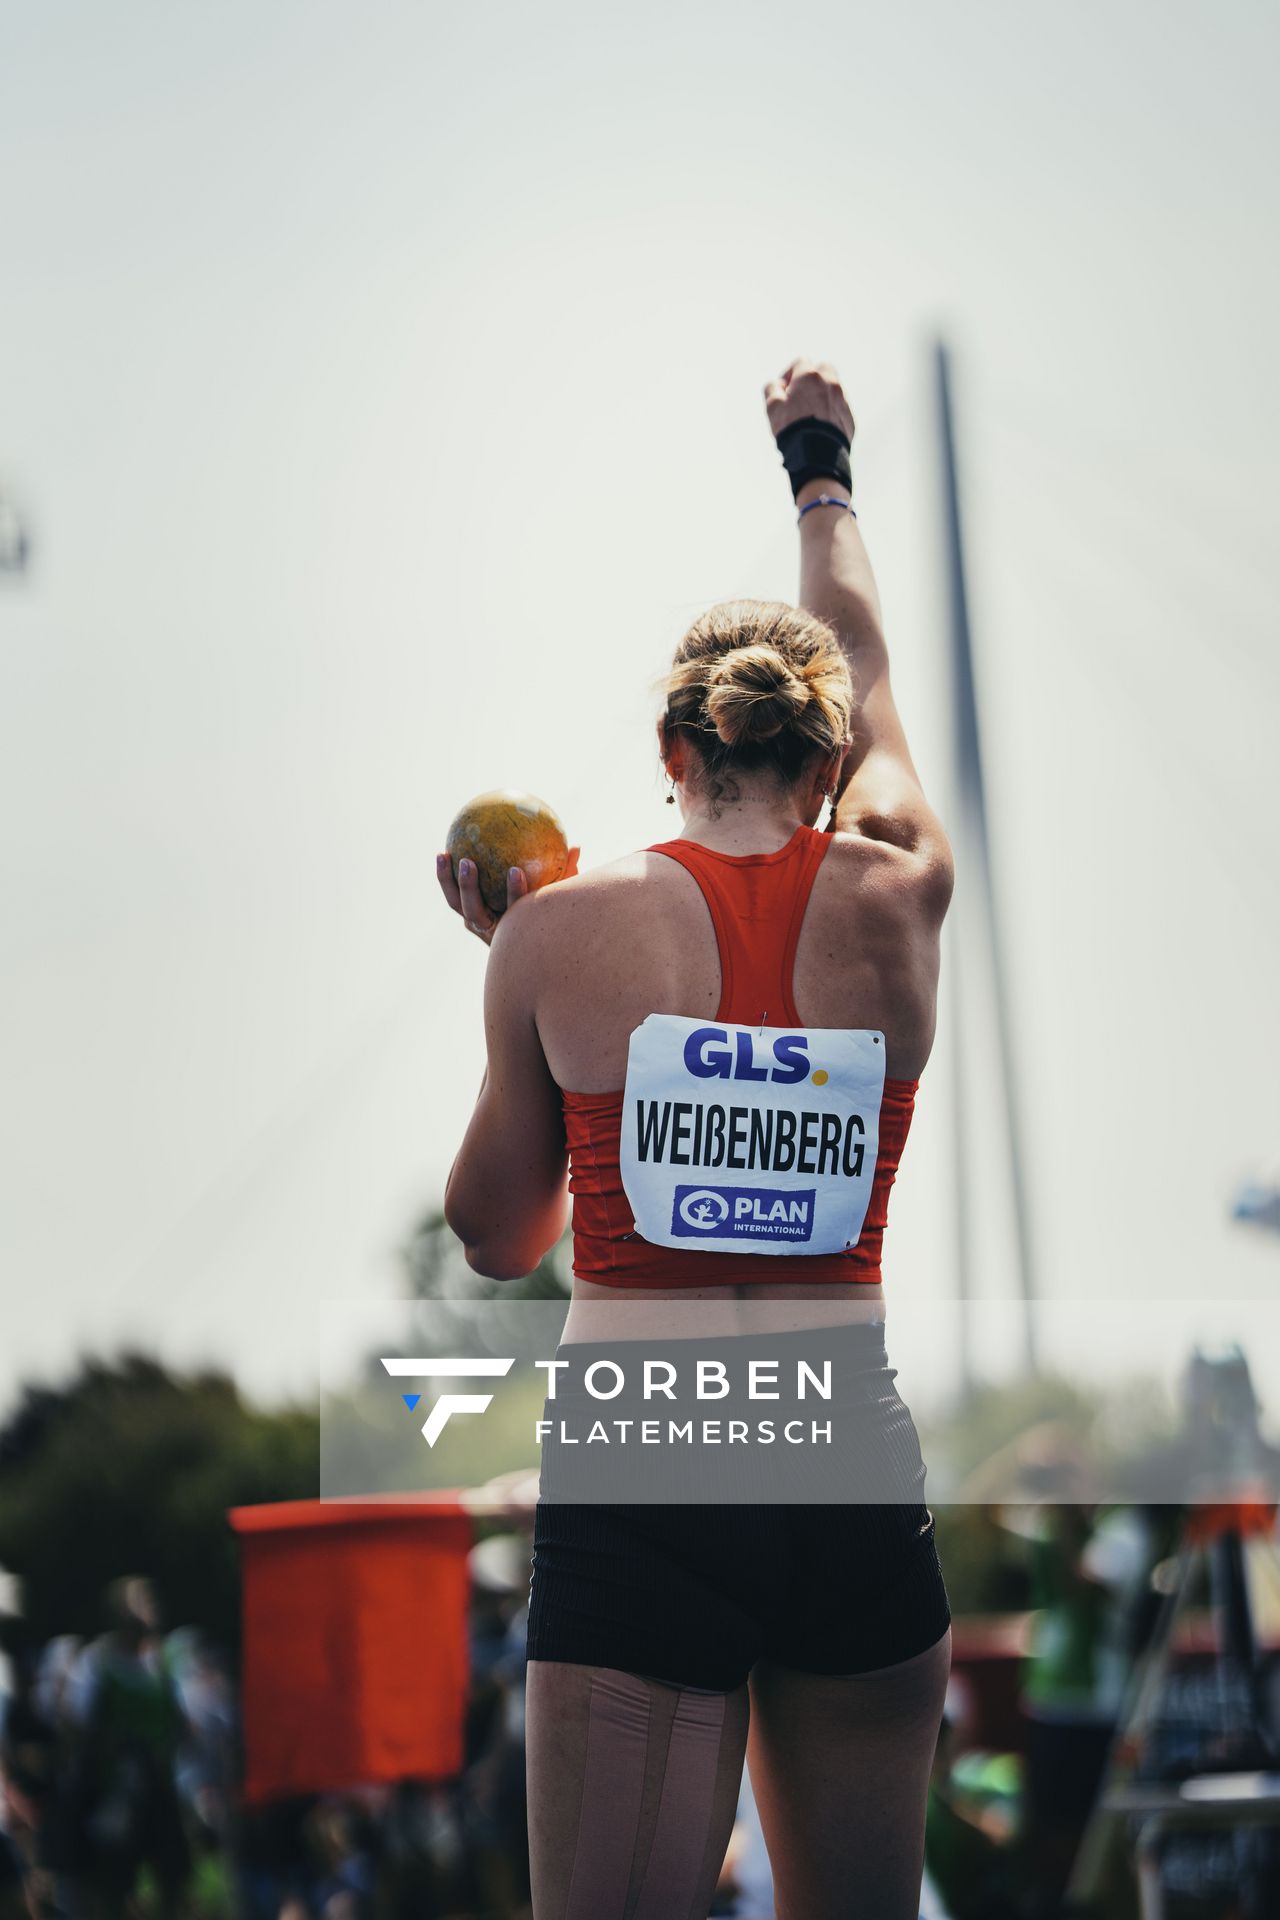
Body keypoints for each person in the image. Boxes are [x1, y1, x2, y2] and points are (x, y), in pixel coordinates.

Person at [438, 357, 954, 1920]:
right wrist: (822, 472)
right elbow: (864, 656)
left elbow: (496, 1233)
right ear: (830, 759)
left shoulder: (562, 932)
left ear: (674, 751)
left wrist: (512, 969)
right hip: (847, 1464)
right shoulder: (903, 894)